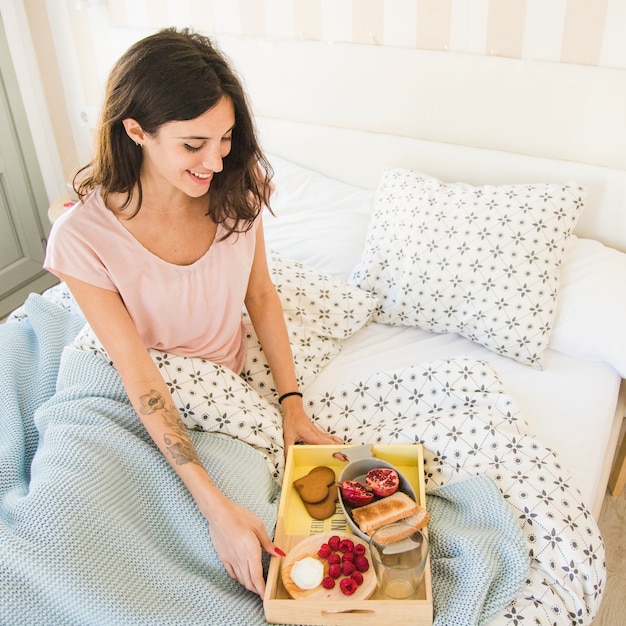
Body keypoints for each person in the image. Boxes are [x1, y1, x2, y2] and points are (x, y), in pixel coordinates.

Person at [43, 27, 341, 597]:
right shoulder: (83, 237)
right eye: (192, 144)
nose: (215, 159)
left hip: (218, 389)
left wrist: (292, 407)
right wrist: (213, 507)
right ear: (136, 132)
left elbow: (260, 296)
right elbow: (139, 377)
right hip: (123, 387)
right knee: (66, 534)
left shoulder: (238, 188)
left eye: (226, 138)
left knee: (246, 558)